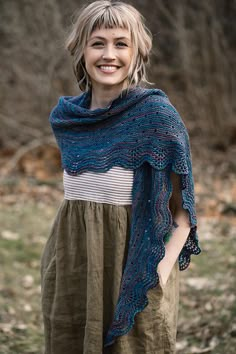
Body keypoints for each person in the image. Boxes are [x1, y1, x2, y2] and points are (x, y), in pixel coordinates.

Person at [40, 1, 201, 353]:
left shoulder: (157, 118)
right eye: (98, 43)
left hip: (136, 272)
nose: (108, 54)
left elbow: (183, 213)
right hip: (73, 269)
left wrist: (157, 271)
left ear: (138, 51)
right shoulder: (68, 119)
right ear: (81, 49)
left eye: (120, 43)